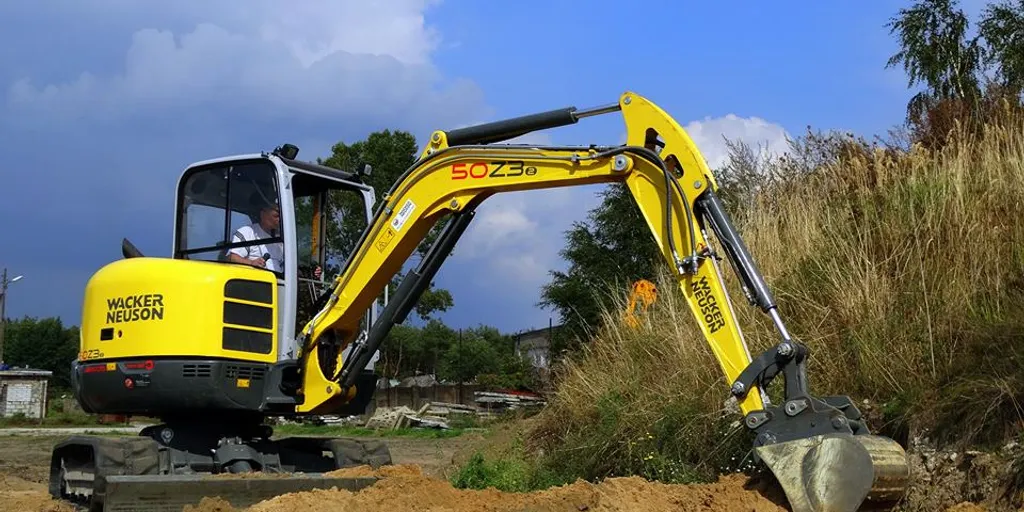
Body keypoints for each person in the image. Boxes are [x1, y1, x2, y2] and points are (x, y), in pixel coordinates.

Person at [227, 202, 323, 280]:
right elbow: (231, 257)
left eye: (281, 216)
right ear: (263, 214)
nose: (279, 219)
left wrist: (311, 273)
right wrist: (252, 263)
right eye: (276, 215)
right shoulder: (248, 232)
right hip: (253, 286)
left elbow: (290, 269)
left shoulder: (283, 240)